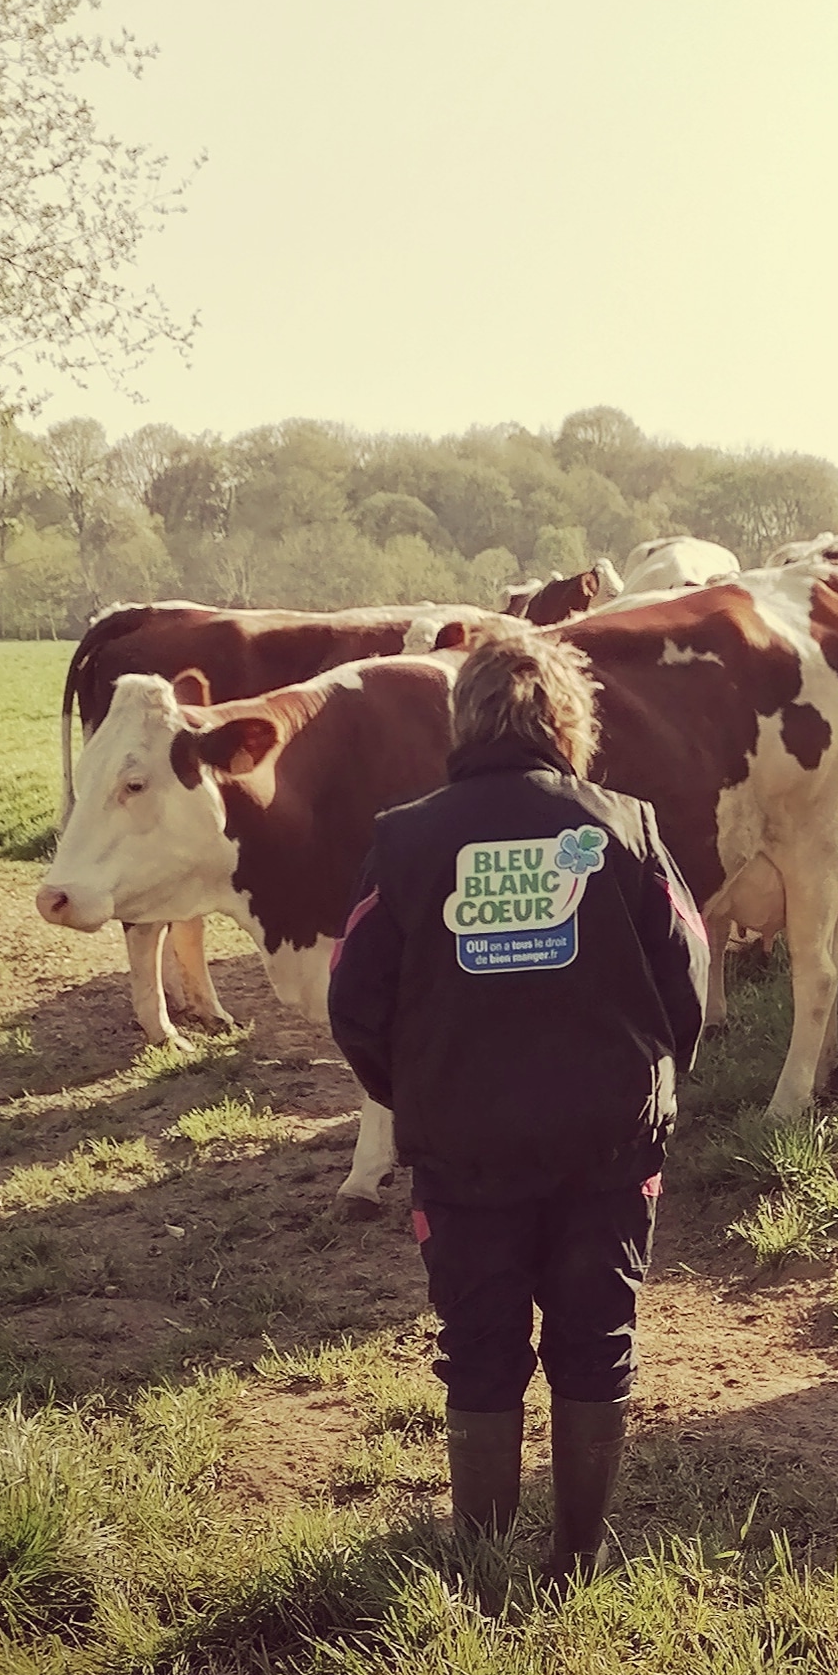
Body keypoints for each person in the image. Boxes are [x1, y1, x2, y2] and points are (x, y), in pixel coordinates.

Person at [330, 617, 709, 1588]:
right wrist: (654, 1086)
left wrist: (411, 1093)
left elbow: (353, 998)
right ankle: (577, 1561)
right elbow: (689, 976)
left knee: (481, 1348)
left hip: (462, 1156)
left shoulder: (403, 841)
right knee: (598, 1341)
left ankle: (484, 1570)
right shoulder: (625, 828)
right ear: (571, 724)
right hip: (608, 1149)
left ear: (462, 722)